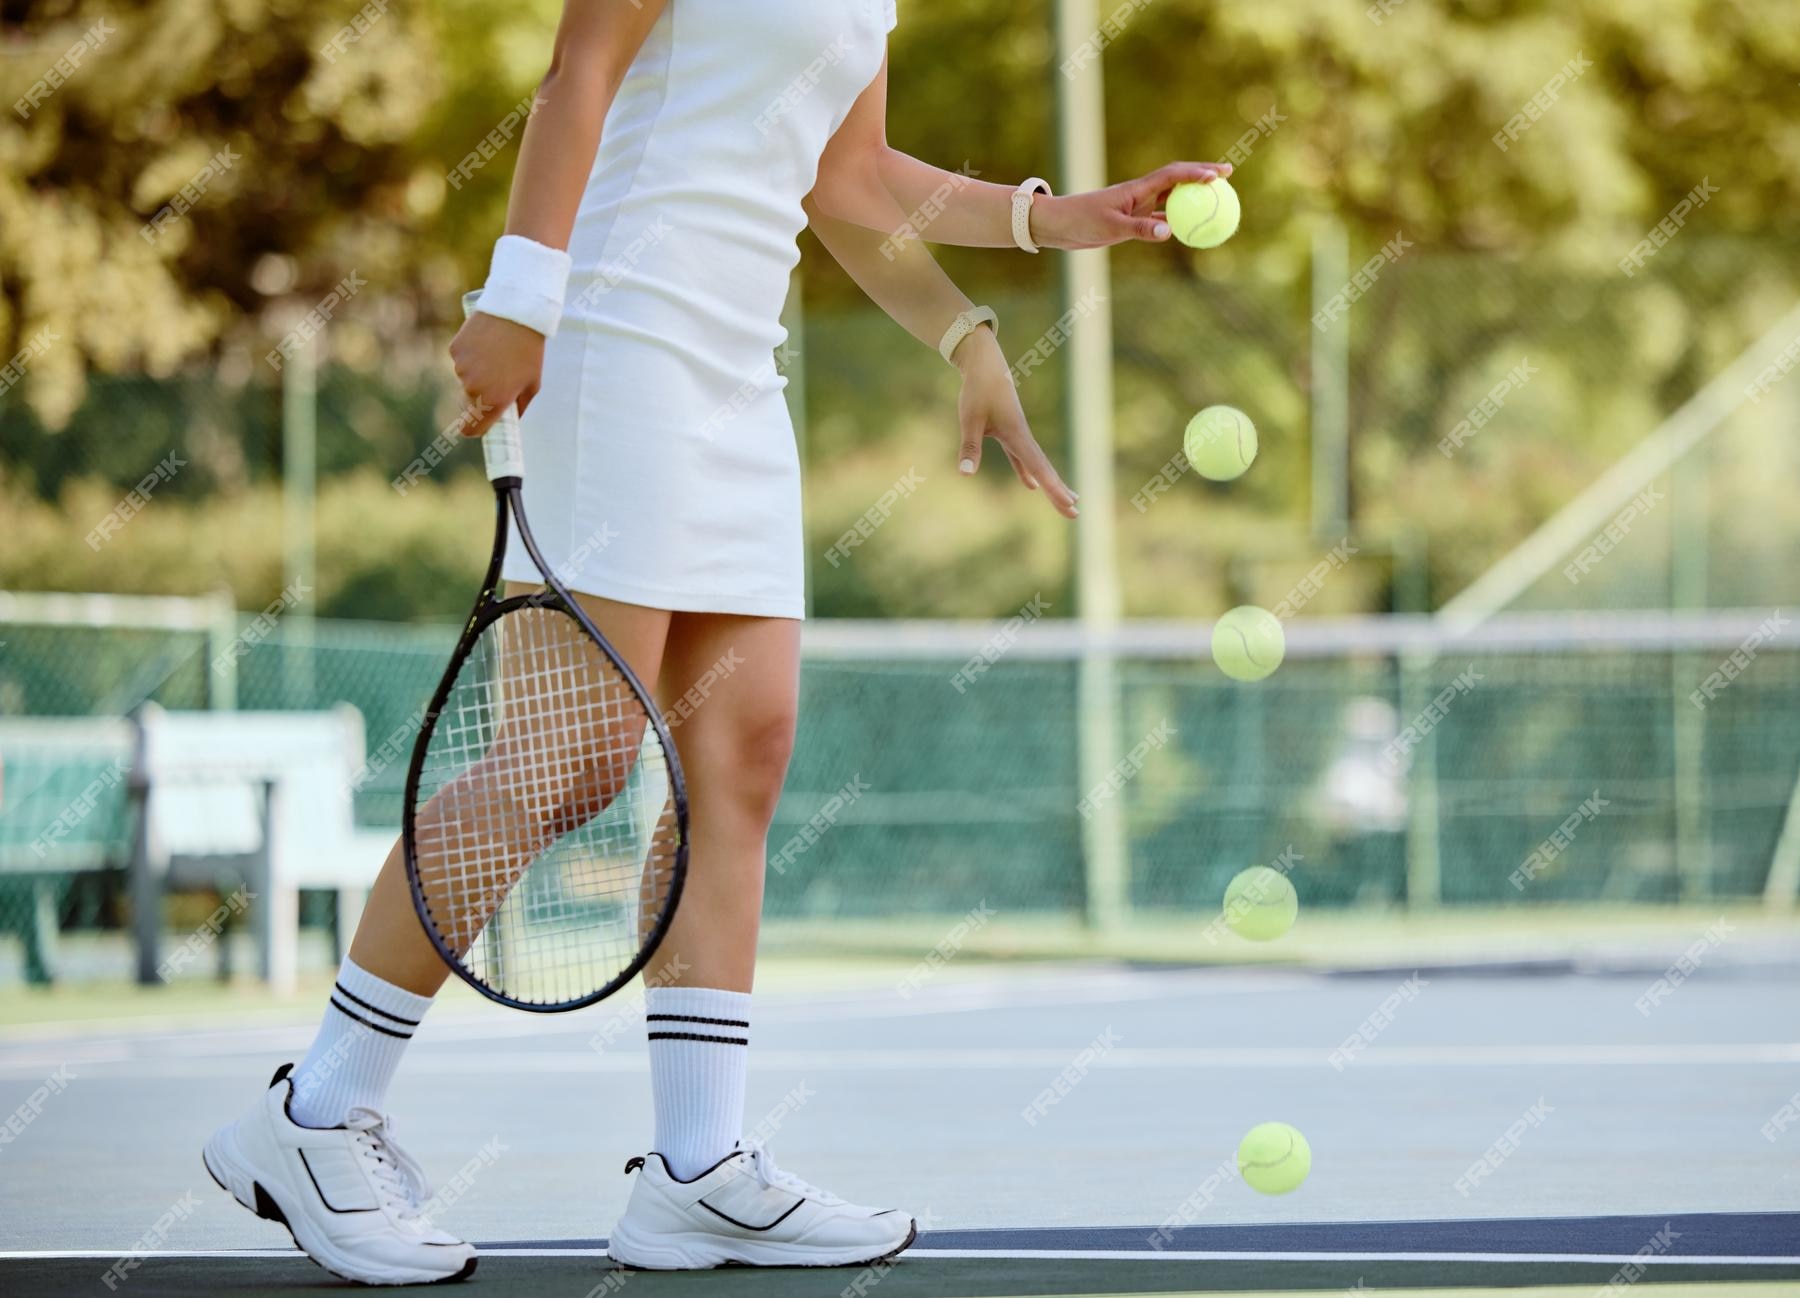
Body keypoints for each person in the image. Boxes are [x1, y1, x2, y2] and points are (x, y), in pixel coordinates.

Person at [201, 0, 1228, 1283]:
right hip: (613, 335)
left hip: (741, 376)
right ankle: (312, 1115)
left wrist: (1031, 244)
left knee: (737, 758)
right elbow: (581, 68)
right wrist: (519, 294)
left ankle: (696, 1169)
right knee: (564, 762)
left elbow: (847, 178)